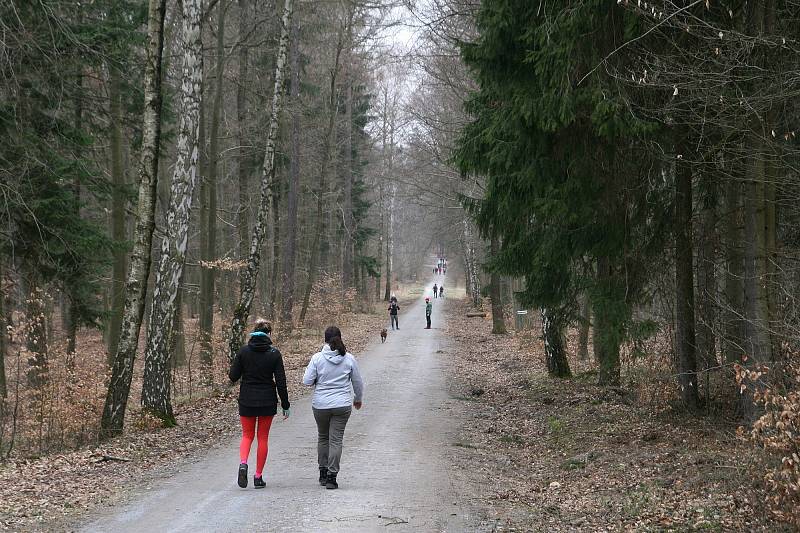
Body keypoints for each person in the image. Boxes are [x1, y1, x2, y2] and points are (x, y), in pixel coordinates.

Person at [229, 319, 290, 489]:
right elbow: (281, 381)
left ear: (254, 331)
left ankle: (243, 463)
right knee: (262, 437)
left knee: (247, 435)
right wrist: (285, 404)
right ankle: (258, 476)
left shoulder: (244, 351)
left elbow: (233, 376)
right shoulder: (274, 353)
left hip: (247, 399)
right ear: (269, 334)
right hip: (267, 400)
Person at [302, 326, 365, 490]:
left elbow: (307, 381)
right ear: (340, 338)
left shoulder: (317, 358)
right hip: (342, 405)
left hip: (320, 405)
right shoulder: (349, 358)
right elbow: (358, 382)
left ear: (325, 339)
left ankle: (322, 472)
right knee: (336, 440)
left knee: (323, 437)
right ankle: (332, 477)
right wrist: (358, 399)